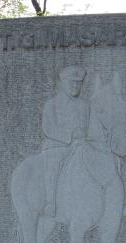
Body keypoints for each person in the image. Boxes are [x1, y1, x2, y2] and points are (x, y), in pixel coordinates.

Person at [41, 66, 89, 217]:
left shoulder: (84, 105)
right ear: (63, 83)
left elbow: (89, 125)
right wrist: (70, 136)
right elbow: (48, 128)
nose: (75, 86)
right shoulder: (52, 104)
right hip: (57, 146)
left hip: (83, 145)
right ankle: (51, 204)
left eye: (78, 83)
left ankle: (116, 202)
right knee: (53, 167)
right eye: (71, 83)